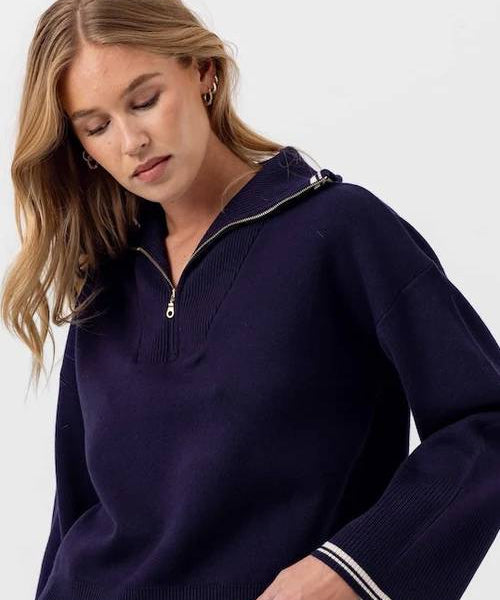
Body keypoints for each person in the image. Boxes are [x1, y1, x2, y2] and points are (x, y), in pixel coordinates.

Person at [2, 1, 499, 600]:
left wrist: (351, 568)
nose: (132, 141)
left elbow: (485, 423)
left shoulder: (341, 232)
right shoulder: (107, 282)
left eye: (144, 100)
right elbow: (76, 512)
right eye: (96, 126)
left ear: (202, 71)